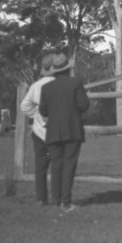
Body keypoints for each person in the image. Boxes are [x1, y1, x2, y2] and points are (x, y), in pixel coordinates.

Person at [38, 50, 89, 213]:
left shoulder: (46, 88)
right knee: (69, 166)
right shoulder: (75, 83)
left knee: (56, 166)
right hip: (72, 130)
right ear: (68, 69)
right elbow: (84, 105)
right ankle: (66, 202)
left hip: (53, 131)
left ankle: (56, 201)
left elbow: (43, 111)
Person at [19, 57, 54, 205]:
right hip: (57, 131)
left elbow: (25, 106)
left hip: (39, 131)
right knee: (59, 165)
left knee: (40, 166)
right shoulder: (61, 85)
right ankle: (59, 198)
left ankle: (41, 199)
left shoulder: (36, 86)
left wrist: (37, 116)